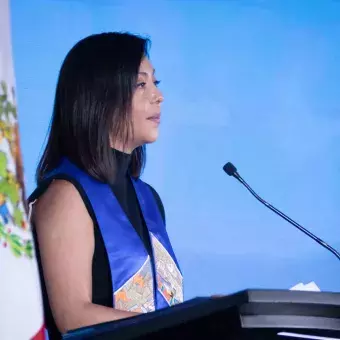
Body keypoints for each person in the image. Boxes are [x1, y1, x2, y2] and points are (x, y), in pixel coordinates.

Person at [28, 32, 183, 339]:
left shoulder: (148, 199)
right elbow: (72, 316)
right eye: (141, 84)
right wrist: (188, 324)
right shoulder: (66, 195)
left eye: (156, 82)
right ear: (101, 96)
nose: (158, 95)